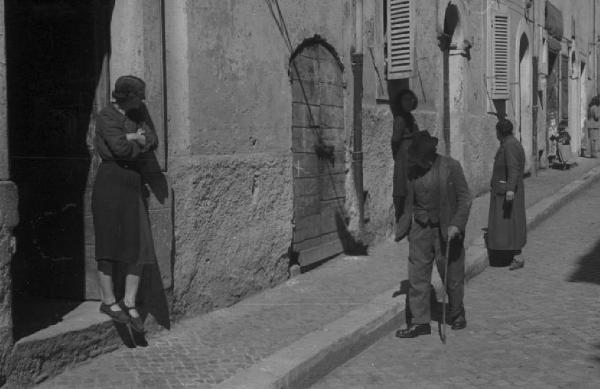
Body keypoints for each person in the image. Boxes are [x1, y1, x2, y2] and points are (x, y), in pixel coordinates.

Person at [92, 75, 158, 332]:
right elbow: (119, 149)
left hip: (132, 183)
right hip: (110, 181)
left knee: (136, 244)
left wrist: (138, 139)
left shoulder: (138, 114)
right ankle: (108, 301)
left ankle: (129, 301)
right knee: (108, 242)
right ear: (127, 96)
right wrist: (135, 139)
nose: (142, 100)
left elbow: (153, 140)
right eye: (139, 95)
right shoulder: (106, 116)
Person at [394, 130, 472, 338]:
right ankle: (420, 322)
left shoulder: (450, 167)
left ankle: (456, 313)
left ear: (430, 154)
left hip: (446, 228)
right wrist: (403, 228)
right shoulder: (413, 171)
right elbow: (408, 203)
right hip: (420, 228)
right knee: (417, 274)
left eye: (422, 158)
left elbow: (465, 198)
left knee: (451, 273)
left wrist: (457, 224)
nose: (418, 162)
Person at [488, 119, 527, 271]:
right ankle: (512, 253)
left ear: (499, 132)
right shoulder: (511, 143)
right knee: (510, 225)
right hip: (507, 190)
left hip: (508, 192)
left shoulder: (509, 146)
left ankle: (517, 256)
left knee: (512, 224)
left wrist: (510, 189)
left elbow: (513, 168)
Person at [391, 89, 420, 241]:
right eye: (405, 100)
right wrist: (401, 153)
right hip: (404, 157)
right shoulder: (401, 119)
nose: (408, 102)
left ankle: (408, 226)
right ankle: (402, 228)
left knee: (411, 191)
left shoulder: (409, 117)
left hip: (411, 156)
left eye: (410, 100)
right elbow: (395, 140)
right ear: (400, 102)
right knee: (404, 190)